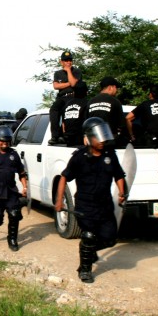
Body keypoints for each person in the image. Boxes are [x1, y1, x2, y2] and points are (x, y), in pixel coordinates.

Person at [54, 117, 126, 283]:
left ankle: (89, 249)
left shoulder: (110, 155)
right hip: (85, 206)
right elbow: (64, 177)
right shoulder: (79, 157)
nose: (102, 141)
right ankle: (85, 269)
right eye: (98, 137)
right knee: (88, 235)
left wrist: (122, 191)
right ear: (89, 138)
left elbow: (119, 175)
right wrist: (60, 200)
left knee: (110, 239)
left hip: (105, 204)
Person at [49, 50, 82, 145]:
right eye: (66, 60)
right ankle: (55, 136)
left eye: (70, 60)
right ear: (61, 62)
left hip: (72, 97)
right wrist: (68, 84)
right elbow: (56, 86)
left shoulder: (76, 71)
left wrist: (68, 71)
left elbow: (74, 83)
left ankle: (65, 136)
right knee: (54, 109)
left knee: (66, 114)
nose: (68, 62)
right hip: (61, 97)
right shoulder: (57, 73)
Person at [61, 81, 89, 147]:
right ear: (85, 91)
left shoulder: (67, 105)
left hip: (68, 140)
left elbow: (63, 125)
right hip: (81, 141)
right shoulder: (86, 103)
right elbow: (87, 122)